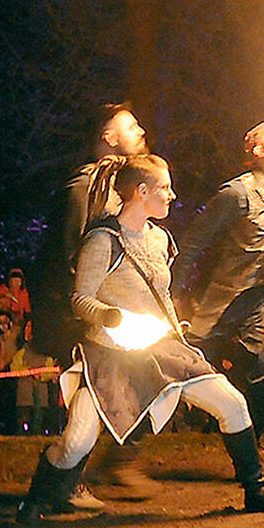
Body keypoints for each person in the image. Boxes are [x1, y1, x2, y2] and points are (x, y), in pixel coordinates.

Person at [15, 154, 264, 524]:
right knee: (77, 442)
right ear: (141, 191)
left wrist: (175, 327)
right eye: (164, 187)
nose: (172, 194)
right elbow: (81, 299)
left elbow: (160, 291)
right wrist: (112, 317)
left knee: (232, 403)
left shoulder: (159, 238)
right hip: (110, 356)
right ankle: (35, 502)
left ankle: (255, 489)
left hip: (161, 351)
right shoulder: (102, 240)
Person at [30, 102, 151, 505]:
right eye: (130, 126)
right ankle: (64, 482)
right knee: (89, 396)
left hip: (105, 314)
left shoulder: (119, 188)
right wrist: (83, 314)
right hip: (76, 315)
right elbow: (70, 254)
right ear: (109, 138)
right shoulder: (86, 187)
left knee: (110, 390)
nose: (141, 131)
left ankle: (93, 469)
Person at [180, 121, 264, 441]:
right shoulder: (236, 192)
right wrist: (170, 292)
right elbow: (194, 242)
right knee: (176, 369)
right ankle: (122, 456)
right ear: (258, 149)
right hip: (219, 299)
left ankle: (252, 453)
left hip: (258, 300)